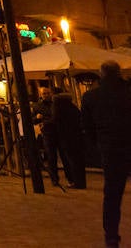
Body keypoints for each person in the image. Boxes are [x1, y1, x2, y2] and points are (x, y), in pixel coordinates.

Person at [81, 59, 131, 248]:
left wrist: (98, 146)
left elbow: (87, 126)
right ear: (119, 73)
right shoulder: (127, 93)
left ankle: (111, 235)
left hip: (110, 149)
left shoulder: (91, 97)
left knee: (112, 194)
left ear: (101, 74)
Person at [52, 88, 86, 189]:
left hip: (66, 136)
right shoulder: (72, 107)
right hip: (76, 135)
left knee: (72, 160)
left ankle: (76, 182)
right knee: (78, 160)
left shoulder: (58, 106)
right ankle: (81, 182)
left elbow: (55, 119)